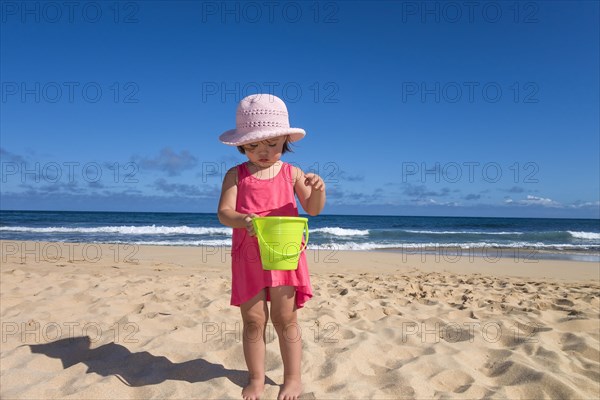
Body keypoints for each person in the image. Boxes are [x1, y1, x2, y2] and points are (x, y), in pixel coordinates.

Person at [217, 94, 326, 400]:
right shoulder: (235, 175)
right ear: (241, 144)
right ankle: (256, 378)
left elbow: (313, 210)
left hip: (284, 252)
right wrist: (242, 220)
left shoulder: (292, 173)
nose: (263, 152)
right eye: (253, 145)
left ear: (285, 141)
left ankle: (292, 378)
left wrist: (319, 190)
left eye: (272, 144)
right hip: (248, 254)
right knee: (253, 319)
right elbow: (224, 212)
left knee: (285, 317)